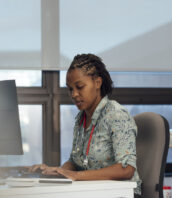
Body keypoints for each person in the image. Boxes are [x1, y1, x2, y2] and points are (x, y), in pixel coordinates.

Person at [29, 54, 141, 196]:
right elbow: (74, 162)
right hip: (91, 192)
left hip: (120, 193)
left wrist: (77, 176)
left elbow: (126, 170)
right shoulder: (81, 118)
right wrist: (58, 172)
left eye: (80, 87)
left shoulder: (116, 115)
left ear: (97, 83)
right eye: (70, 89)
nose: (74, 94)